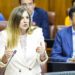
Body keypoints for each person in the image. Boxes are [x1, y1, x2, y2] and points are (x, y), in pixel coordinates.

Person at [0, 6, 48, 75]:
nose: (25, 21)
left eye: (27, 17)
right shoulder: (5, 35)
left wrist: (42, 54)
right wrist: (5, 56)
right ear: (15, 20)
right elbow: (1, 64)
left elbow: (42, 61)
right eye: (21, 18)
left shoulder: (37, 32)